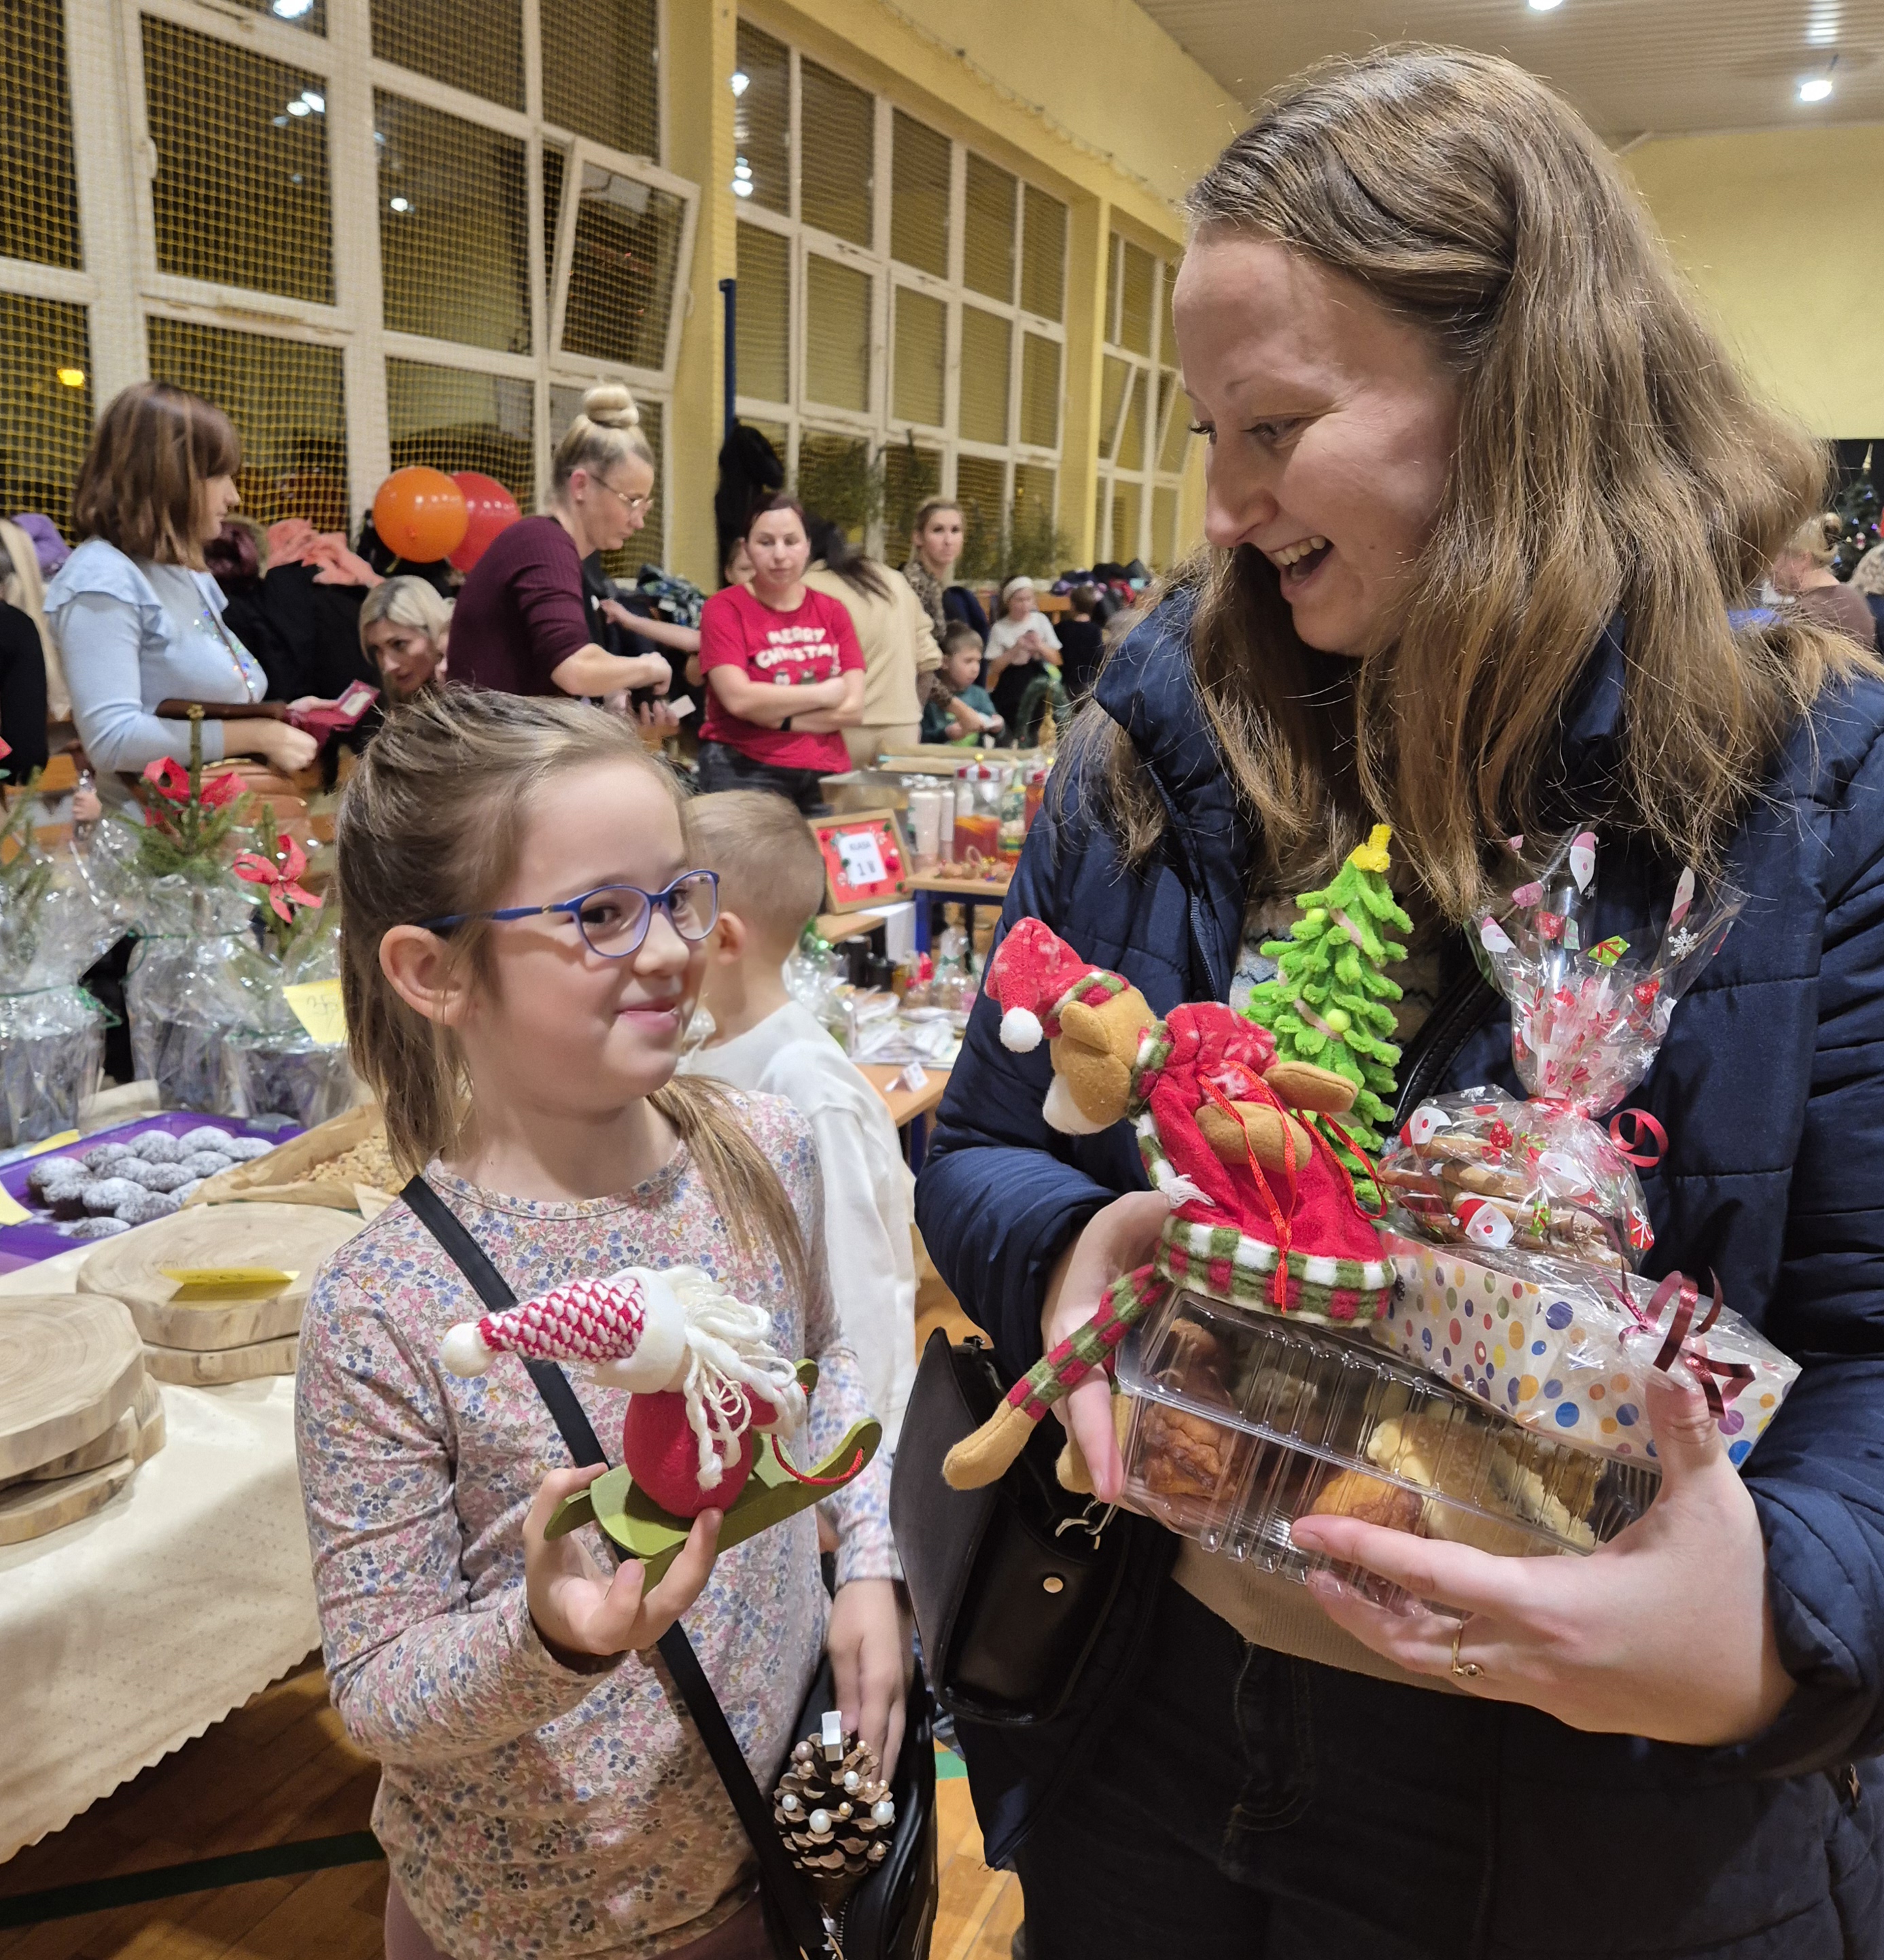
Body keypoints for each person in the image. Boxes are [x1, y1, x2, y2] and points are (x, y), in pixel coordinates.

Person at [915, 47, 1884, 1959]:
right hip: (1145, 1754)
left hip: (1611, 1835)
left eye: (1271, 422)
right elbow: (975, 1145)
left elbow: (1862, 1334)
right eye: (1204, 430)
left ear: (1523, 389)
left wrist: (1768, 1632)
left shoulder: (1813, 780)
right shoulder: (1163, 722)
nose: (1220, 506)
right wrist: (1092, 1248)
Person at [299, 688, 901, 1960]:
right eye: (597, 914)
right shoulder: (385, 1306)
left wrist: (869, 1560)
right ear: (434, 969)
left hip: (768, 1859)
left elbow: (827, 1358)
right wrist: (549, 1638)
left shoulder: (763, 1147)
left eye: (677, 893)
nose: (675, 947)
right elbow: (377, 1684)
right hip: (529, 1920)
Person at [678, 790, 918, 1443]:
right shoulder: (701, 1047)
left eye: (672, 905)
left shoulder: (804, 1083)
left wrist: (846, 1457)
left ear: (723, 936)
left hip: (817, 1444)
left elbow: (858, 1284)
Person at [42, 382, 319, 799]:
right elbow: (112, 740)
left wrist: (281, 717)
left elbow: (204, 703)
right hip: (155, 846)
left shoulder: (187, 573)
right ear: (168, 478)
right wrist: (258, 734)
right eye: (218, 475)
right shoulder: (102, 578)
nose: (234, 496)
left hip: (212, 831)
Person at [447, 385, 675, 712]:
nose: (639, 521)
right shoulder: (544, 545)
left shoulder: (549, 545)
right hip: (490, 751)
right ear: (581, 485)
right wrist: (648, 666)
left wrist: (611, 688)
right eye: (632, 501)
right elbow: (575, 668)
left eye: (645, 506)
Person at [695, 497, 864, 813]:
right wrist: (824, 693)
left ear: (808, 546)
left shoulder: (833, 611)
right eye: (766, 542)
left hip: (825, 772)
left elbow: (853, 709)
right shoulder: (723, 608)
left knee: (821, 864)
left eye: (791, 541)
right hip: (743, 768)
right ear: (746, 548)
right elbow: (739, 700)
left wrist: (777, 717)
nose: (780, 555)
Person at [802, 516, 941, 768]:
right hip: (902, 729)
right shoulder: (893, 580)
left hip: (837, 730)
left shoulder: (805, 587)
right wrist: (913, 713)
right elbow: (929, 660)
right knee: (894, 808)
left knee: (837, 808)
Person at [1773, 512, 1881, 650]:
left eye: (1774, 559)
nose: (1769, 569)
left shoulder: (1803, 615)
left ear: (1803, 558)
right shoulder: (1853, 597)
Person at [900, 498, 989, 646]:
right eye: (938, 530)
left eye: (955, 530)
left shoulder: (947, 595)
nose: (948, 540)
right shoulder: (907, 587)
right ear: (918, 537)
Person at [983, 576, 1062, 733]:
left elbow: (1057, 660)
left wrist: (1039, 646)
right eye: (1019, 600)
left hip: (1038, 679)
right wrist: (1015, 649)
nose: (1024, 605)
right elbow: (993, 669)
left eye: (1028, 599)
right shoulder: (1000, 628)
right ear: (1009, 602)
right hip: (1011, 685)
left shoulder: (1040, 621)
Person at [359, 574, 450, 705]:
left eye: (399, 645)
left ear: (432, 631)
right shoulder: (394, 699)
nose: (389, 666)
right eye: (377, 649)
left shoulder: (477, 691)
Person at [920, 623, 1002, 745]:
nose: (975, 669)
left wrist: (998, 726)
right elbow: (922, 738)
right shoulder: (929, 698)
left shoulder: (979, 695)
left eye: (978, 661)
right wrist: (946, 733)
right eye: (968, 661)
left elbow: (995, 728)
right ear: (945, 662)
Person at [1056, 583, 1106, 699]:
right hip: (1088, 682)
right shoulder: (1096, 630)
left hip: (1067, 681)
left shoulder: (1062, 628)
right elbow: (1099, 655)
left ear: (1073, 605)